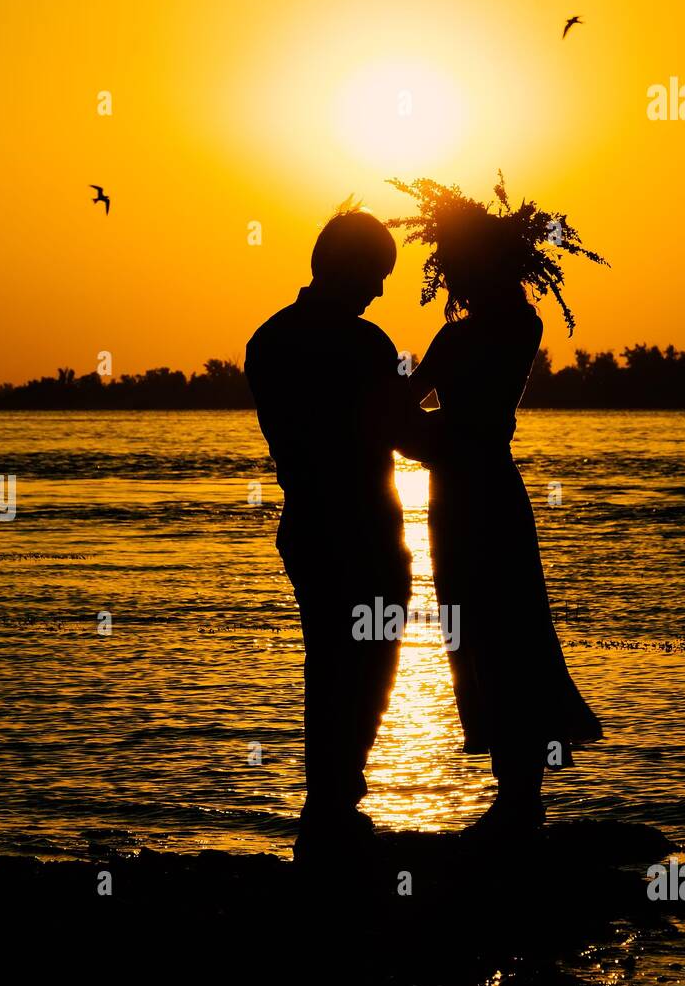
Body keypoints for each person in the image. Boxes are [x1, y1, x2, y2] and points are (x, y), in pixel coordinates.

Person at [388, 175, 606, 841]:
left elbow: (406, 408)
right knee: (502, 636)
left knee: (494, 637)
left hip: (468, 493)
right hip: (481, 492)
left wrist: (411, 437)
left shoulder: (476, 334)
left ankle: (517, 802)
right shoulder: (516, 325)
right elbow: (420, 409)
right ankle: (518, 799)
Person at [245, 205, 423, 858]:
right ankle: (335, 806)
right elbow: (408, 426)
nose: (379, 290)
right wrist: (441, 391)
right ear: (350, 270)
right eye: (376, 275)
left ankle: (330, 808)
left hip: (308, 525)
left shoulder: (268, 340)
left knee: (330, 666)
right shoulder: (365, 344)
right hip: (363, 528)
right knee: (368, 665)